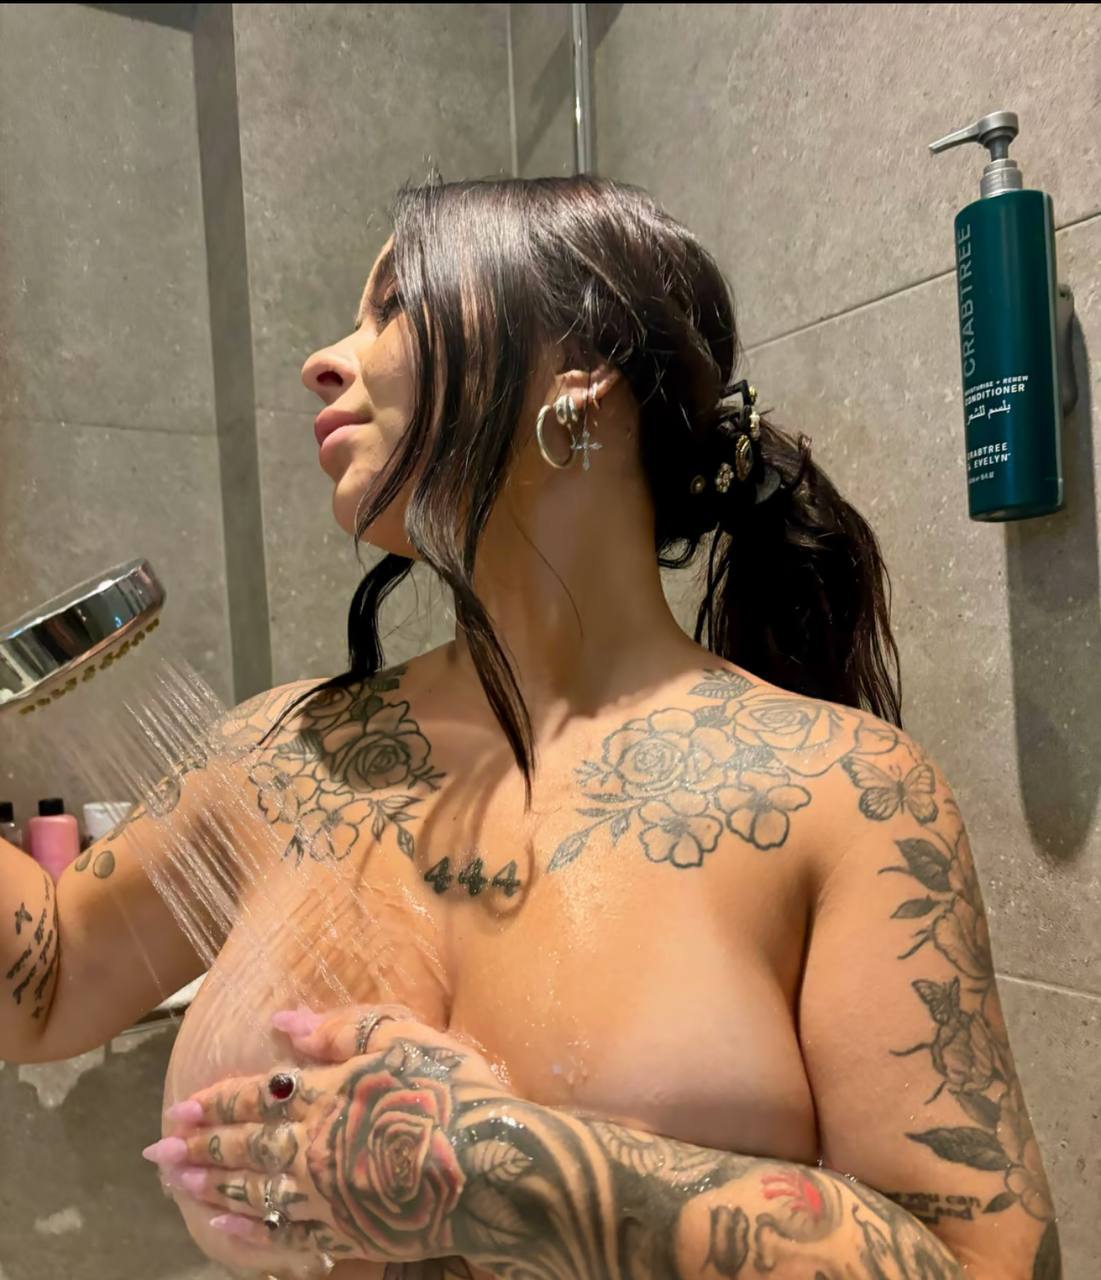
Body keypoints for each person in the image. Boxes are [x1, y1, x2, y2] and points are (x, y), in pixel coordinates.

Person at [1, 175, 1060, 1280]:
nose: (322, 360)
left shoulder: (843, 795)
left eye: (395, 305)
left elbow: (982, 1264)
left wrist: (504, 1171)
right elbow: (44, 984)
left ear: (581, 373)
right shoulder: (277, 759)